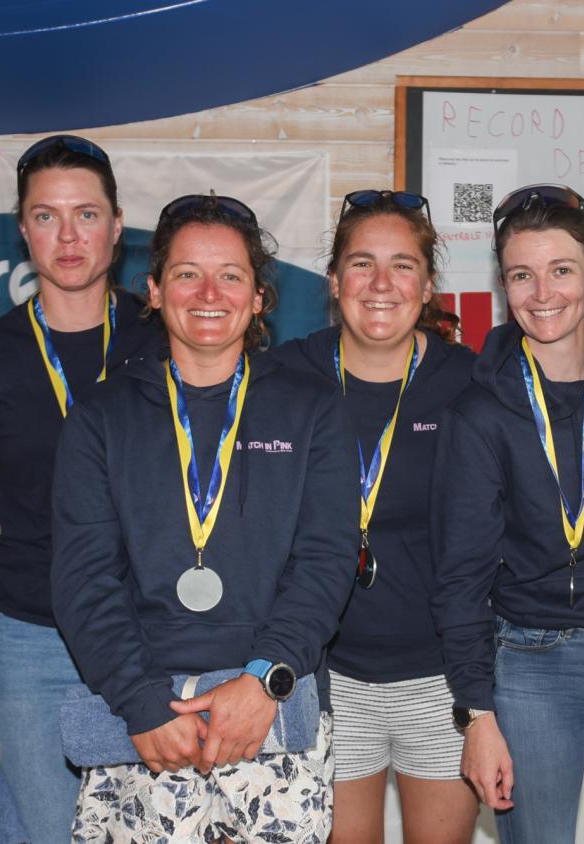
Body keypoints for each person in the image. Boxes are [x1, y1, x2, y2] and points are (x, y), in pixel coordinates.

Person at [49, 193, 360, 843]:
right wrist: (141, 703)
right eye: (187, 273)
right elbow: (84, 579)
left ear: (259, 297)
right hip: (144, 723)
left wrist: (265, 680)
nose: (209, 293)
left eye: (231, 276)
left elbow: (326, 561)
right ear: (155, 290)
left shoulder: (313, 408)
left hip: (269, 712)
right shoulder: (101, 417)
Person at [0, 135, 161, 842]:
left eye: (86, 214)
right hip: (32, 641)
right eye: (47, 216)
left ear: (117, 225)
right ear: (23, 229)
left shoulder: (166, 341)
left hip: (155, 636)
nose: (68, 236)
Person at [431, 184, 584, 842]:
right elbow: (460, 573)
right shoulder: (480, 409)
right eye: (522, 275)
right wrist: (476, 714)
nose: (542, 293)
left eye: (561, 270)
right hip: (532, 657)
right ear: (503, 285)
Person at [271, 189, 478, 844]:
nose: (381, 284)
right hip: (324, 674)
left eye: (402, 265)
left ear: (428, 285)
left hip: (442, 676)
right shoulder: (281, 376)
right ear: (334, 281)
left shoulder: (472, 381)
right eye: (361, 263)